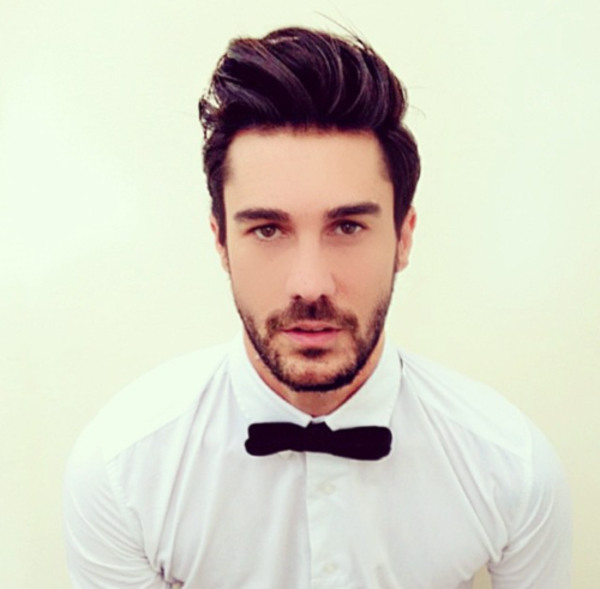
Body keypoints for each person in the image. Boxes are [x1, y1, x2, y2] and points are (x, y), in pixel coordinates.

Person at [63, 27, 571, 588]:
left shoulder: (514, 468)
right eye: (267, 229)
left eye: (348, 226)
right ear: (220, 242)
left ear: (403, 238)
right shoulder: (122, 471)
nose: (309, 285)